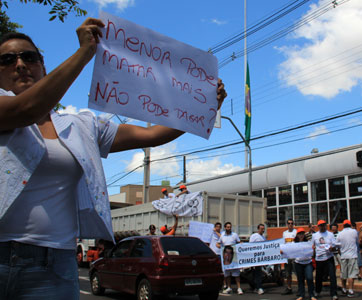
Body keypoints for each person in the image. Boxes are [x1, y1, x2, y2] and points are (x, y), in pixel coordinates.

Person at [0, 20, 227, 300]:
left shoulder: (80, 125)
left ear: (43, 65)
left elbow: (151, 134)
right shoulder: (7, 109)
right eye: (7, 59)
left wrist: (204, 105)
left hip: (54, 264)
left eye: (29, 57)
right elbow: (26, 109)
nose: (20, 64)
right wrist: (85, 53)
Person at [313, 220, 339, 300]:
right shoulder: (315, 235)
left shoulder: (330, 234)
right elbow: (312, 246)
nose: (322, 226)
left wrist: (332, 248)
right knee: (318, 276)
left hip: (329, 258)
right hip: (319, 258)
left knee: (332, 276)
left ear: (325, 225)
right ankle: (317, 291)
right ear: (318, 226)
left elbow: (335, 246)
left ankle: (334, 293)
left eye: (323, 225)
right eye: (320, 225)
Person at [336, 219, 359, 298]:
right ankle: (351, 290)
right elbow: (356, 240)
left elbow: (337, 245)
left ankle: (344, 288)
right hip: (352, 255)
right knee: (351, 274)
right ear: (350, 225)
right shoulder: (354, 232)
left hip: (343, 255)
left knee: (343, 273)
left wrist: (340, 252)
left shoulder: (340, 233)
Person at [220, 222, 243, 295]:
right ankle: (229, 287)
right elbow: (218, 243)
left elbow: (239, 242)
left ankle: (239, 288)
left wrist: (241, 244)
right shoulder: (222, 235)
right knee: (227, 274)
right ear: (225, 228)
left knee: (236, 273)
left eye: (230, 227)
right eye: (227, 227)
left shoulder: (234, 235)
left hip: (233, 256)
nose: (229, 228)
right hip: (225, 257)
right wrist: (218, 246)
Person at [293, 228, 316, 300]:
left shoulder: (308, 243)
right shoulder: (294, 244)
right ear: (297, 235)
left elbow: (313, 253)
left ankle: (312, 295)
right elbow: (289, 252)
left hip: (308, 262)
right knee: (300, 279)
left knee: (309, 278)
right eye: (299, 234)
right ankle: (301, 295)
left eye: (302, 233)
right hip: (298, 263)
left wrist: (313, 249)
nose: (301, 235)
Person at [249, 224, 266, 295]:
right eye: (261, 229)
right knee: (256, 273)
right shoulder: (254, 236)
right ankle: (258, 287)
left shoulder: (263, 237)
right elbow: (250, 246)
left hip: (260, 258)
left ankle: (257, 287)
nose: (263, 230)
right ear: (258, 229)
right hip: (254, 257)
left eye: (263, 229)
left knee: (258, 273)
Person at [282, 218, 297, 295]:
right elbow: (283, 243)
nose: (290, 224)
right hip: (287, 256)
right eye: (289, 223)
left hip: (295, 256)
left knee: (298, 273)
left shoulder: (296, 232)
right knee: (288, 274)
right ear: (287, 224)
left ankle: (300, 289)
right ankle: (289, 288)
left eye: (291, 223)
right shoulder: (284, 233)